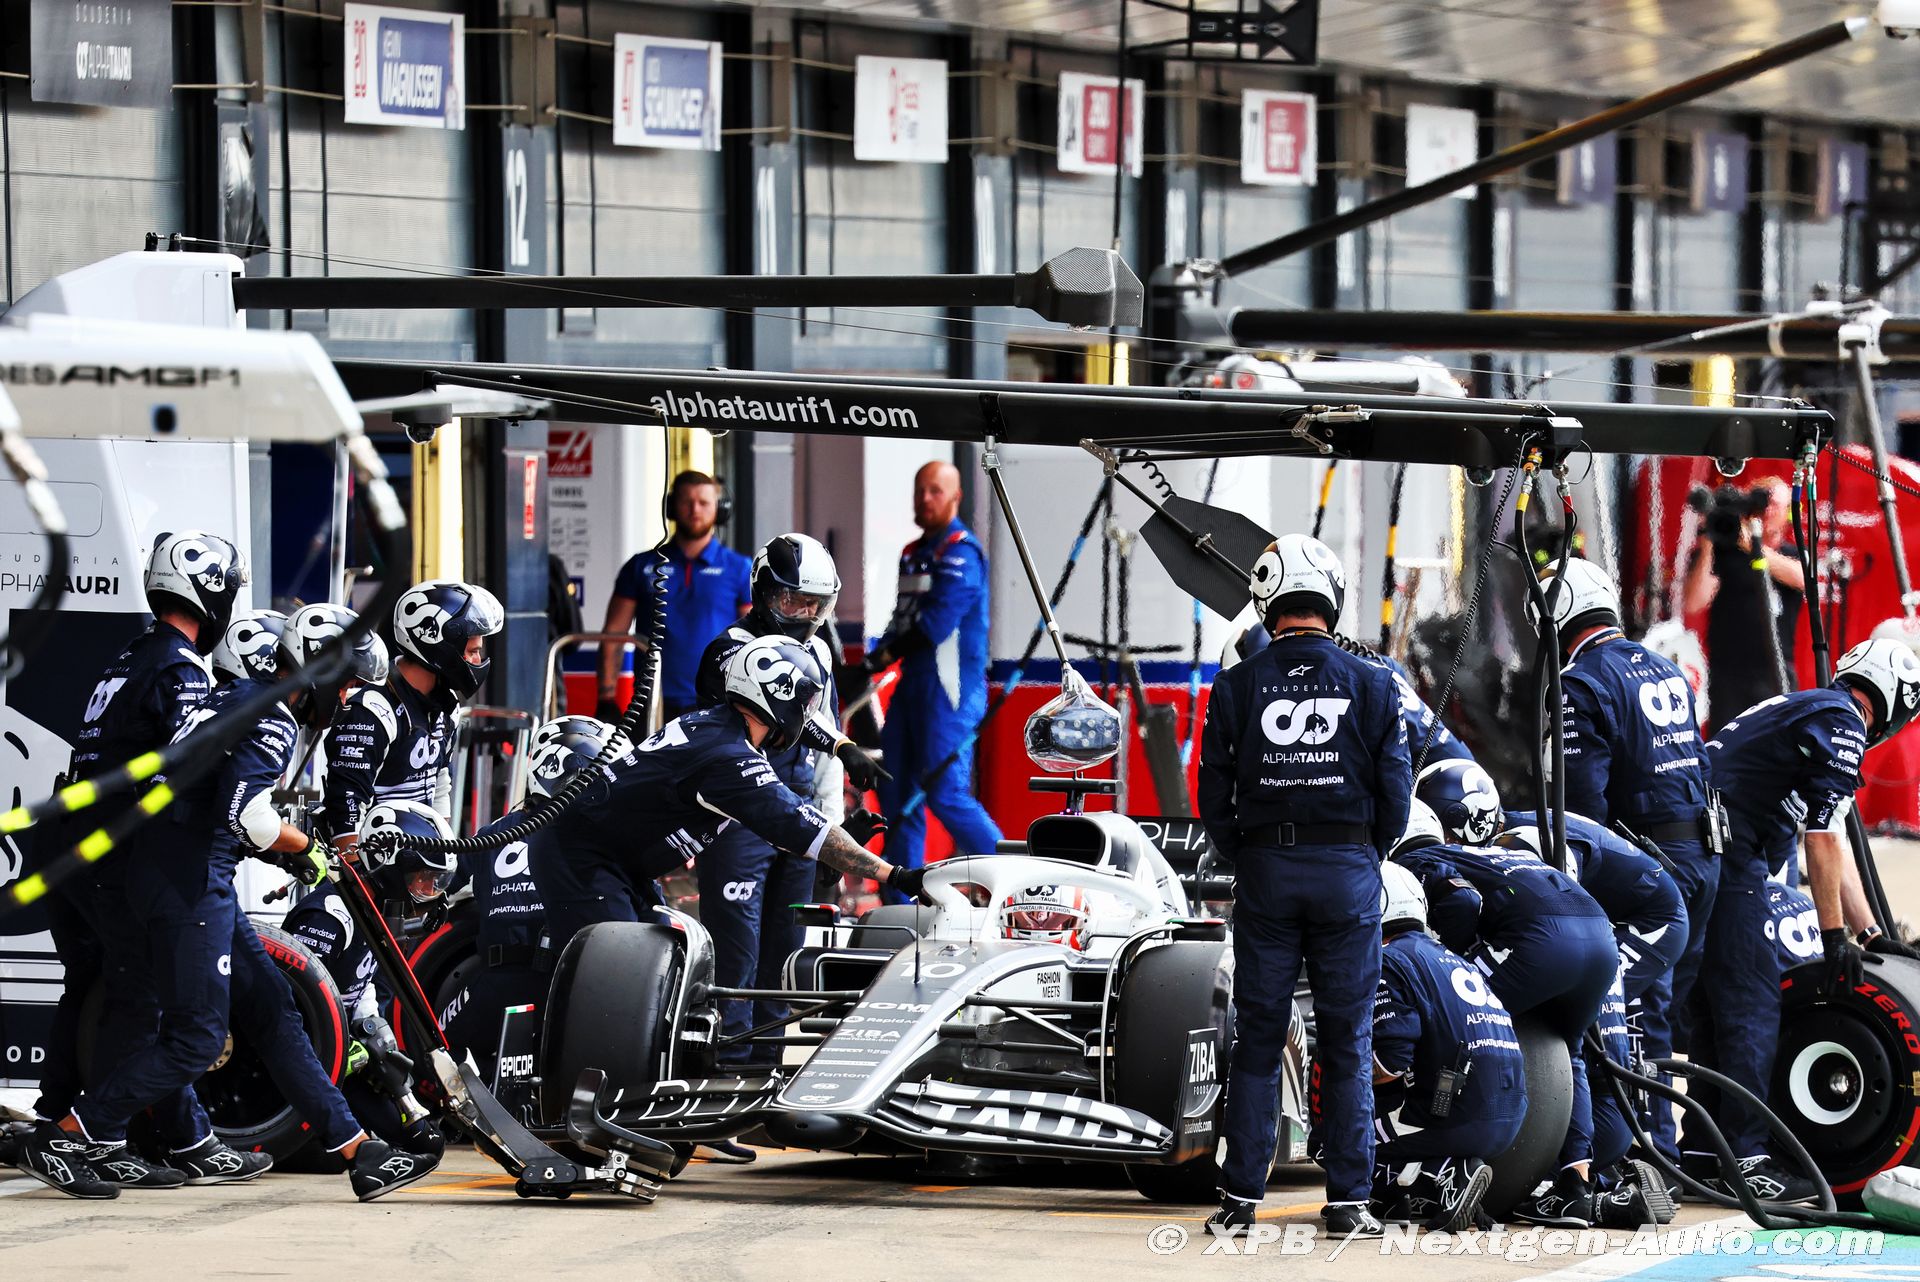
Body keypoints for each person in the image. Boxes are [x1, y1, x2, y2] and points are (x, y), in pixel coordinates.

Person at [17, 603, 439, 1201]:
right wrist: (304, 844)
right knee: (195, 1037)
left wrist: (289, 849)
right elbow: (247, 816)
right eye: (348, 685)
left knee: (272, 1006)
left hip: (178, 870)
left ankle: (357, 1150)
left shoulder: (240, 695)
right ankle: (67, 1136)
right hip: (187, 880)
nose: (347, 701)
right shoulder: (274, 717)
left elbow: (214, 800)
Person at [13, 532, 266, 1194]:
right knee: (144, 998)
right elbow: (190, 763)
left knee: (112, 989)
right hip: (109, 853)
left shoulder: (130, 656)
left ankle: (122, 1133)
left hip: (70, 842)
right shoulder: (182, 668)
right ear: (211, 592)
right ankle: (77, 1138)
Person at [1199, 533, 1411, 1240]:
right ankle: (1350, 1201)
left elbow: (1212, 798)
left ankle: (1239, 1200)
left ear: (1269, 602)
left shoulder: (1236, 687)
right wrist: (1363, 853)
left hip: (1267, 871)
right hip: (1347, 872)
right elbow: (1397, 797)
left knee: (1259, 1038)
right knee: (1347, 1039)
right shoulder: (1374, 683)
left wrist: (1251, 855)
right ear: (1330, 597)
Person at [530, 635, 936, 961]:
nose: (808, 713)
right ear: (780, 698)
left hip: (617, 861)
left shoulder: (717, 727)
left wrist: (841, 762)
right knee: (617, 978)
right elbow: (801, 826)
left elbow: (785, 821)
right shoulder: (729, 759)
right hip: (582, 856)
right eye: (806, 702)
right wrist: (897, 875)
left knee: (663, 965)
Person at [1690, 637, 1920, 1201]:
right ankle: (1747, 1160)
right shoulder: (1842, 721)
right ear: (1894, 699)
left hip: (1700, 843)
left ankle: (1703, 1150)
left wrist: (1872, 935)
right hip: (1722, 847)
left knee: (1715, 1005)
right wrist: (1835, 934)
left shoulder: (1816, 709)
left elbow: (1832, 838)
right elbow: (1820, 839)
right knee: (1751, 1001)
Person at [1533, 557, 1718, 1186]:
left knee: (1629, 1008)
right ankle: (1674, 1151)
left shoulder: (1581, 683)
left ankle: (1647, 1157)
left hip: (1647, 870)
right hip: (1703, 859)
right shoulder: (1664, 667)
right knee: (1667, 1009)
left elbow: (1581, 811)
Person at [692, 533, 886, 1067]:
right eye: (792, 600)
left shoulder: (819, 651)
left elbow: (824, 744)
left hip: (798, 812)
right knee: (735, 953)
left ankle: (766, 1073)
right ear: (763, 592)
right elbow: (791, 718)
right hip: (737, 817)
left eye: (814, 604)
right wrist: (842, 745)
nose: (803, 614)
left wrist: (833, 830)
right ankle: (725, 1074)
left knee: (785, 958)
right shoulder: (728, 650)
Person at [1391, 799, 1616, 1229]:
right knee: (1571, 1052)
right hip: (1600, 936)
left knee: (1459, 1024)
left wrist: (1450, 956)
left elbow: (1460, 901)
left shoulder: (1417, 859)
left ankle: (1448, 1167)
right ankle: (1575, 1186)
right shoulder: (1489, 853)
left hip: (1544, 940)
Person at [1498, 814, 1684, 1228]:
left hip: (1654, 919)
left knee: (1569, 1024)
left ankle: (1581, 1181)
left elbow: (1559, 896)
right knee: (1580, 1012)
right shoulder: (1530, 828)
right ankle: (1605, 1175)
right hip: (1607, 918)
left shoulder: (1531, 841)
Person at [441, 716, 616, 1084]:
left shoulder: (492, 833)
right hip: (568, 989)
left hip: (498, 983)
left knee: (433, 1045)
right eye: (590, 775)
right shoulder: (597, 837)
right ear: (555, 769)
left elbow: (437, 886)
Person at [284, 797, 456, 1159]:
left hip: (341, 1051)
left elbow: (361, 985)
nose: (428, 890)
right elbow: (289, 1006)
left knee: (424, 1141)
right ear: (389, 865)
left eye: (434, 880)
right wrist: (344, 1048)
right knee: (333, 1157)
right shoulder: (330, 916)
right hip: (301, 1056)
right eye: (421, 877)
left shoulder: (373, 908)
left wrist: (376, 1037)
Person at [1361, 861, 1520, 1232]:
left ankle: (1447, 1173)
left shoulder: (1389, 960)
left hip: (1456, 1115)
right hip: (1510, 1115)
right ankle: (1392, 1196)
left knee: (1333, 1135)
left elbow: (1391, 1062)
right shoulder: (1455, 960)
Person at [866, 461, 1002, 883]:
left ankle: (1022, 882)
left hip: (950, 692)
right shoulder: (912, 553)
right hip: (912, 686)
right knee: (894, 792)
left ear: (956, 497)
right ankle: (902, 898)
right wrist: (873, 657)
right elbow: (902, 618)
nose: (925, 499)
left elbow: (935, 625)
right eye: (919, 490)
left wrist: (883, 655)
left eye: (935, 491)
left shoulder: (961, 551)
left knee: (945, 793)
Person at [319, 579, 502, 845]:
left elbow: (440, 784)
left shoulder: (446, 703)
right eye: (473, 651)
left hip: (417, 857)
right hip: (375, 857)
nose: (478, 661)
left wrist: (443, 850)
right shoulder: (372, 709)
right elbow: (346, 812)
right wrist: (357, 867)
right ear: (437, 643)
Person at [596, 471, 751, 723]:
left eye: (703, 503)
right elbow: (614, 634)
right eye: (686, 502)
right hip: (652, 702)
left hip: (719, 703)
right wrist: (606, 697)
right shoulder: (641, 566)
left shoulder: (740, 569)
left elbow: (754, 640)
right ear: (671, 507)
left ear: (720, 509)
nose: (695, 510)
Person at [1682, 479, 1804, 732]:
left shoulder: (1791, 554)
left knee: (1778, 743)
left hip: (1775, 672)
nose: (1768, 511)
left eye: (1776, 505)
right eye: (1764, 504)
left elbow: (1801, 578)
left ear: (1787, 513)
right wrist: (1708, 541)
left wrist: (1751, 544)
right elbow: (1694, 602)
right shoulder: (1725, 553)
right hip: (1729, 675)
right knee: (1727, 745)